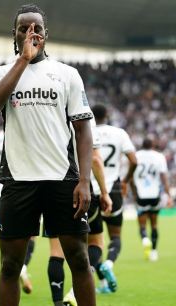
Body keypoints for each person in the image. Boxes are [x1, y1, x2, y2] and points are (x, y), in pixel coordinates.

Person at [0, 4, 95, 306]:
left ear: (47, 35)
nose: (31, 34)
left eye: (37, 29)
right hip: (18, 181)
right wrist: (24, 59)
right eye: (24, 29)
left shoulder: (67, 75)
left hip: (62, 180)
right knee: (9, 266)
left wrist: (85, 180)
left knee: (80, 260)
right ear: (15, 34)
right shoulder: (1, 73)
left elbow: (84, 130)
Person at [44, 118, 112, 306]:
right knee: (95, 243)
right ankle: (75, 292)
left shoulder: (50, 116)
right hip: (80, 191)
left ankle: (58, 302)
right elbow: (96, 159)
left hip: (51, 189)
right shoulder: (84, 118)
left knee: (56, 252)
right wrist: (105, 192)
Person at [0, 130, 35, 294]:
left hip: (2, 194)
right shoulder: (27, 134)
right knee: (30, 235)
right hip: (27, 192)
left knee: (5, 240)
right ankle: (23, 267)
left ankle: (6, 277)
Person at [91, 104, 137, 293]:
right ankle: (109, 264)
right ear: (108, 116)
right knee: (115, 235)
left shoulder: (86, 130)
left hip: (91, 189)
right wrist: (125, 181)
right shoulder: (119, 133)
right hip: (113, 189)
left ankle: (101, 283)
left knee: (94, 240)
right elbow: (134, 161)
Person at [132, 138, 173, 261]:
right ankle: (154, 252)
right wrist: (169, 195)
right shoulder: (159, 157)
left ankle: (145, 240)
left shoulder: (136, 156)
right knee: (154, 224)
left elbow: (131, 177)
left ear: (142, 145)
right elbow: (164, 178)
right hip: (155, 194)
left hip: (141, 194)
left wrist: (133, 193)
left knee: (142, 225)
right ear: (153, 145)